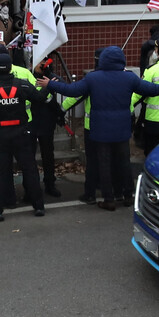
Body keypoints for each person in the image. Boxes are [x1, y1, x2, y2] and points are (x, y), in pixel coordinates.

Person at [39, 46, 159, 211]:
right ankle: (127, 195)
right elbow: (150, 89)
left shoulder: (93, 78)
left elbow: (72, 90)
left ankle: (109, 199)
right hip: (121, 129)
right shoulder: (129, 78)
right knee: (123, 163)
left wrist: (50, 85)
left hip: (100, 130)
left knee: (104, 164)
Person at [0, 54, 47, 222]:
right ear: (11, 67)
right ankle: (39, 206)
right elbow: (40, 98)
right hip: (22, 134)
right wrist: (49, 85)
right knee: (30, 169)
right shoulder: (23, 85)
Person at [62, 48, 102, 204]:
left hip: (91, 127)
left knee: (92, 161)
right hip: (114, 127)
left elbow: (75, 95)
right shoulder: (122, 76)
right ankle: (113, 192)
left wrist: (60, 109)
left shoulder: (92, 78)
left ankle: (90, 193)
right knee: (109, 159)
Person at [31, 56, 64, 197]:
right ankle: (31, 188)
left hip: (46, 121)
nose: (44, 64)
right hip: (32, 121)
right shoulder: (29, 77)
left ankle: (50, 184)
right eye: (41, 61)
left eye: (46, 61)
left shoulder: (51, 78)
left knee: (48, 156)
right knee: (30, 157)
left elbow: (63, 86)